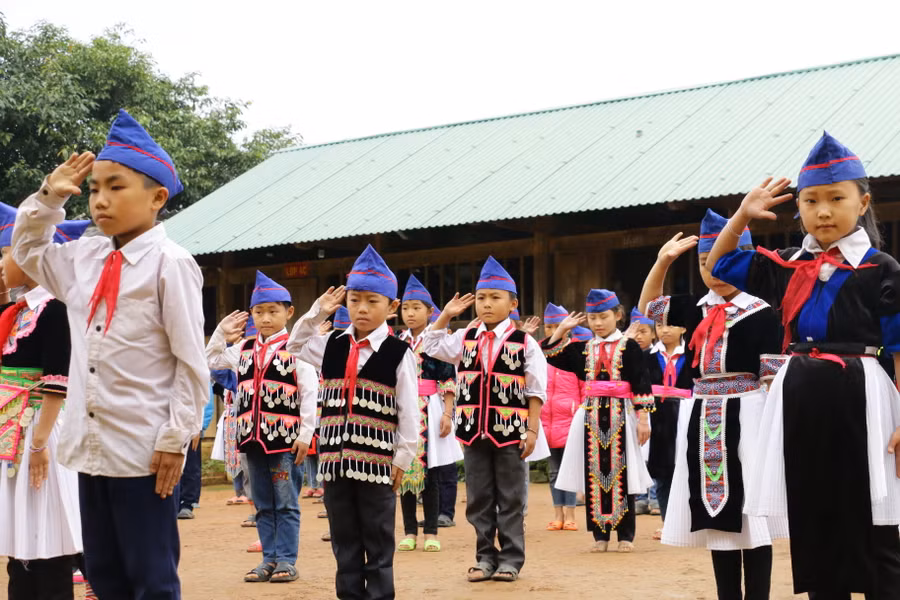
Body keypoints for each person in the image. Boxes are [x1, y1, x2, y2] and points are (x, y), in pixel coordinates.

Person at [12, 110, 209, 599]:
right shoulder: (84, 257)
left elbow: (190, 362)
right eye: (95, 187)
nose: (100, 200)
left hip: (143, 451)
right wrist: (50, 196)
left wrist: (175, 437)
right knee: (103, 574)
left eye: (116, 187)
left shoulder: (171, 264)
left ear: (157, 197)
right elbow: (29, 253)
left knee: (152, 579)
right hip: (89, 447)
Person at [706, 132, 900, 599]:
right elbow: (721, 264)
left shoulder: (882, 267)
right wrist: (740, 217)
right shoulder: (787, 264)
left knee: (873, 507)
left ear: (863, 202)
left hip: (864, 393)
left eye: (837, 198)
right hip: (801, 393)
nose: (824, 211)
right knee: (813, 505)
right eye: (811, 201)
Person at [639, 209, 787, 600]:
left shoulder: (764, 313)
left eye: (724, 261)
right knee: (716, 514)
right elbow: (649, 307)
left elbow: (773, 377)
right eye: (706, 262)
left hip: (749, 410)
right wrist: (663, 260)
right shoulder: (696, 307)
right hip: (703, 412)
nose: (714, 270)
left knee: (750, 512)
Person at [287, 244, 418, 600]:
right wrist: (317, 312)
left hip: (377, 463)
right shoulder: (331, 343)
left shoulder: (398, 353)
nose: (361, 308)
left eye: (372, 301)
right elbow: (295, 343)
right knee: (344, 540)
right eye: (355, 299)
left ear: (391, 307)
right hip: (333, 462)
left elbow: (408, 410)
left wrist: (402, 459)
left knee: (377, 539)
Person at [422, 256, 547, 583]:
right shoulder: (465, 339)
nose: (486, 304)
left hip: (511, 432)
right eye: (481, 298)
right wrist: (447, 315)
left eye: (495, 297)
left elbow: (536, 391)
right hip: (472, 431)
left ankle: (510, 560)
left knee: (510, 497)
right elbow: (430, 344)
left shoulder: (525, 343)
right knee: (478, 498)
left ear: (512, 303)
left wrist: (532, 430)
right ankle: (484, 558)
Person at [206, 270, 318, 583]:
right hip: (251, 440)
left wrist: (306, 434)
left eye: (273, 311)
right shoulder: (242, 348)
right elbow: (210, 360)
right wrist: (220, 330)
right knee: (263, 503)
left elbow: (310, 393)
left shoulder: (298, 349)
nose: (265, 318)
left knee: (285, 501)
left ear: (289, 312)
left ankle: (286, 559)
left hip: (285, 440)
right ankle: (268, 559)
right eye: (259, 312)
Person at [0, 206, 89, 600]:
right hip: (12, 434)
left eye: (6, 253)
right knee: (21, 539)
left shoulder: (56, 310)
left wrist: (39, 445)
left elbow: (56, 383)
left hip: (40, 432)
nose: (2, 263)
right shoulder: (16, 312)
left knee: (47, 535)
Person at [543, 289, 653, 553]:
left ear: (618, 316)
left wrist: (644, 419)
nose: (598, 323)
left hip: (621, 413)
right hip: (590, 414)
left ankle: (626, 535)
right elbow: (550, 353)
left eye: (603, 317)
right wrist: (562, 330)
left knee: (622, 474)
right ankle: (599, 535)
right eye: (592, 318)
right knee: (594, 474)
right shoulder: (582, 349)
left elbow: (641, 381)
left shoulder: (629, 347)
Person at [396, 275, 462, 553]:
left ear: (430, 312)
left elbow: (448, 377)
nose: (410, 313)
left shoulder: (438, 341)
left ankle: (431, 530)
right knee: (403, 471)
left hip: (430, 406)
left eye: (416, 308)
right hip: (403, 409)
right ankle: (410, 530)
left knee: (431, 471)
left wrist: (447, 413)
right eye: (406, 308)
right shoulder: (397, 341)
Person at [645, 320, 691, 540]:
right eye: (660, 325)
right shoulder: (648, 357)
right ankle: (668, 522)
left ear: (683, 328)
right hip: (657, 416)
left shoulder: (693, 356)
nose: (664, 330)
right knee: (662, 473)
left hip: (686, 413)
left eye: (671, 325)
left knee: (687, 468)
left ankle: (689, 522)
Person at [540, 302, 580, 532]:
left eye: (557, 324)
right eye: (549, 326)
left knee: (570, 469)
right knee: (553, 470)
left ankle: (571, 513)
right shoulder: (540, 350)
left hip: (571, 417)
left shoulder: (576, 350)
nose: (552, 329)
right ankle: (558, 514)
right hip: (547, 418)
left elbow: (584, 384)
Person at [177, 382, 215, 519]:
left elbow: (207, 402)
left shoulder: (199, 370)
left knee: (191, 466)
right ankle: (175, 503)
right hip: (173, 425)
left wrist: (200, 427)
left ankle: (187, 503)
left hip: (193, 428)